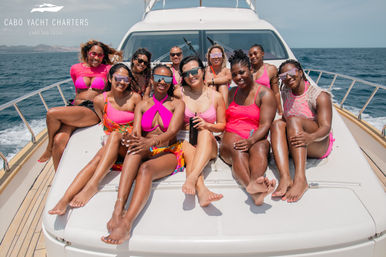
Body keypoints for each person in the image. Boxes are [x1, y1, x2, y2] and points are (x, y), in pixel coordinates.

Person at [102, 64, 185, 245]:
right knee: (133, 149)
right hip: (145, 147)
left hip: (168, 151)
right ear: (152, 79)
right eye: (159, 77)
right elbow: (137, 132)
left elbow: (172, 132)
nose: (163, 81)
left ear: (172, 82)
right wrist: (132, 138)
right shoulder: (141, 104)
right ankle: (118, 208)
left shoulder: (178, 104)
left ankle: (126, 223)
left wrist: (151, 142)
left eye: (168, 79)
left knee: (146, 169)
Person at [48, 63, 141, 215]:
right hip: (112, 143)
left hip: (129, 145)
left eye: (126, 79)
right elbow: (104, 123)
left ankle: (93, 184)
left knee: (115, 136)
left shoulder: (135, 98)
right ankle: (64, 200)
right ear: (110, 78)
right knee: (94, 161)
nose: (122, 82)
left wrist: (127, 135)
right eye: (118, 78)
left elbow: (138, 127)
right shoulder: (99, 100)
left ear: (130, 81)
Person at [38, 40, 121, 170]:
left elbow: (115, 89)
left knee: (52, 113)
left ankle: (48, 149)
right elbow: (78, 91)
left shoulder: (108, 69)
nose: (96, 57)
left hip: (92, 110)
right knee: (59, 140)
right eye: (93, 53)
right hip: (75, 109)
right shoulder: (75, 68)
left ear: (103, 57)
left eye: (100, 55)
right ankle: (58, 179)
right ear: (87, 53)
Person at [270, 59, 333, 202]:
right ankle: (285, 178)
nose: (288, 78)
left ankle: (300, 179)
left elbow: (326, 127)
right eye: (283, 76)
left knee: (293, 120)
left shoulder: (319, 96)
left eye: (291, 73)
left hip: (317, 142)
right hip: (297, 140)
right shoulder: (285, 90)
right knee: (277, 124)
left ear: (300, 72)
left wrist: (311, 137)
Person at [219, 50, 276, 206]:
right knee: (238, 148)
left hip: (255, 136)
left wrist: (251, 141)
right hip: (232, 136)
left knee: (261, 147)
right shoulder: (231, 92)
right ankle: (252, 187)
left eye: (242, 72)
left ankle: (255, 187)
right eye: (235, 74)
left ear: (251, 69)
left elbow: (265, 124)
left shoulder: (265, 94)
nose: (238, 77)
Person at [174, 55, 225, 207]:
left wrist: (207, 125)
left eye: (195, 70)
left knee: (203, 133)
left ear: (202, 71)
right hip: (185, 140)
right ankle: (202, 191)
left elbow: (222, 125)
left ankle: (192, 178)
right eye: (186, 73)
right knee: (188, 149)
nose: (191, 75)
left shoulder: (216, 96)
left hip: (208, 141)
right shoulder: (179, 93)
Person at [248, 44, 282, 115]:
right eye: (250, 55)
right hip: (250, 106)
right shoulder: (246, 71)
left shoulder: (271, 69)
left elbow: (276, 93)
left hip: (266, 105)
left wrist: (280, 111)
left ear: (262, 54)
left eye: (255, 53)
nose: (253, 56)